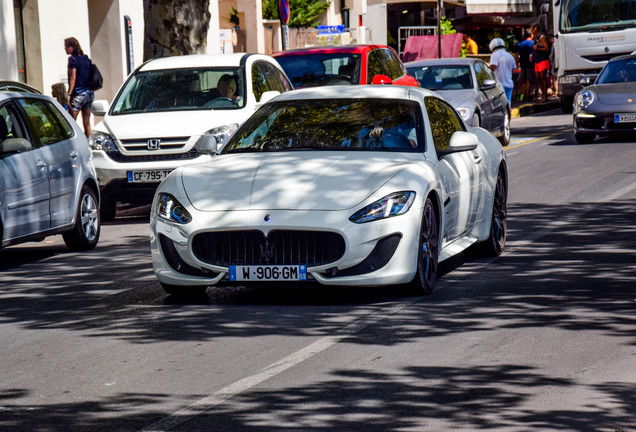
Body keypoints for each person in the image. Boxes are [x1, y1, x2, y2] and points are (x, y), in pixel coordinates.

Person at [64, 37, 94, 137]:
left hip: (78, 93)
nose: (65, 49)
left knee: (71, 122)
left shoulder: (72, 60)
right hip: (89, 93)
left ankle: (72, 143)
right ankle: (88, 143)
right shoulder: (86, 59)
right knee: (87, 122)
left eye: (66, 46)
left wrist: (69, 93)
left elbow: (73, 77)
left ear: (72, 47)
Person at [488, 37, 517, 106]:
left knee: (499, 105)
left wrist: (486, 69)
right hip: (509, 84)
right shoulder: (510, 55)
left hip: (499, 85)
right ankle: (508, 116)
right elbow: (514, 70)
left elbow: (493, 66)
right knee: (507, 103)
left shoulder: (494, 55)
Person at [531, 25, 551, 103]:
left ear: (536, 29)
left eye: (532, 28)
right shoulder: (535, 38)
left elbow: (546, 48)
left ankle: (544, 96)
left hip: (543, 59)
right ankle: (543, 94)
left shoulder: (542, 38)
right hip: (537, 59)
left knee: (542, 77)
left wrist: (538, 48)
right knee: (538, 78)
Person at [517, 29, 536, 102]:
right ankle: (528, 95)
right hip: (530, 64)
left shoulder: (520, 44)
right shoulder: (532, 43)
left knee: (523, 80)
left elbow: (517, 55)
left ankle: (523, 95)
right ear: (531, 35)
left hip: (522, 64)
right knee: (529, 80)